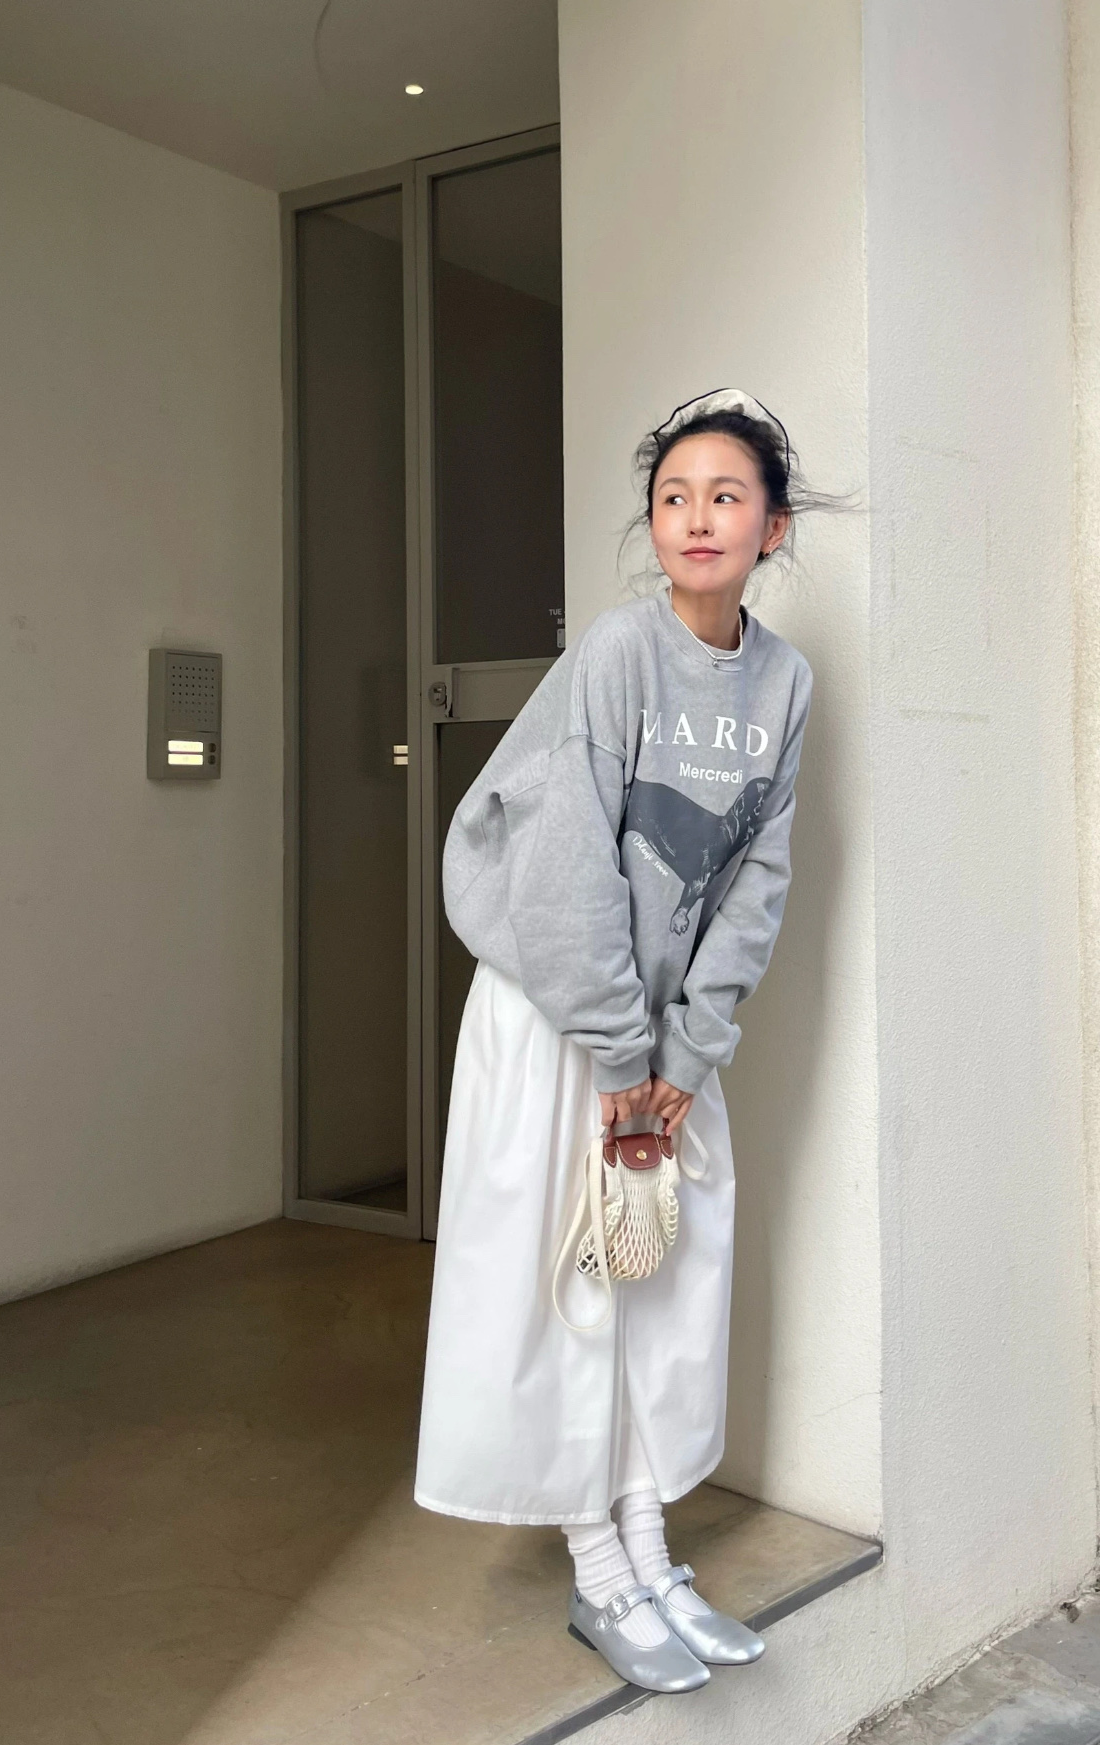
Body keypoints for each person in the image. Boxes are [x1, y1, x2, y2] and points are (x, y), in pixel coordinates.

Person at [414, 389, 815, 1694]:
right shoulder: (616, 652)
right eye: (673, 497)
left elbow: (756, 881)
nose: (696, 517)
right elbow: (568, 862)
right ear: (653, 525)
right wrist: (617, 1056)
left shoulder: (785, 682)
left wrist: (685, 1062)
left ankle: (649, 1550)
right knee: (570, 1286)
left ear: (772, 528)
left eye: (726, 496)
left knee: (657, 1278)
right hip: (560, 1016)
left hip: (660, 1046)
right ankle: (600, 1573)